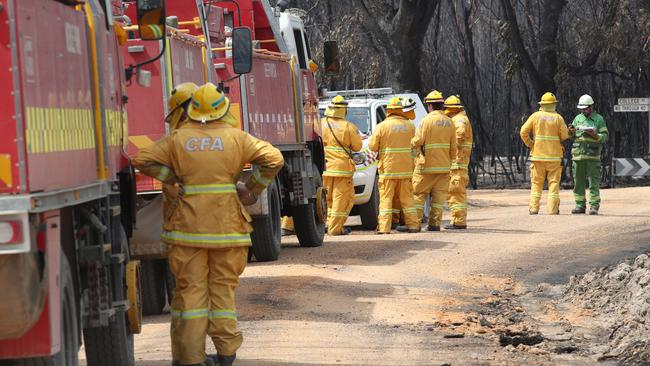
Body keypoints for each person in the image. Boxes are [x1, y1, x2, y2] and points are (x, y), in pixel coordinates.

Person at [132, 82, 284, 366]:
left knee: (191, 294)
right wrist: (251, 188)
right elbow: (274, 159)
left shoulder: (178, 139)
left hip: (188, 232)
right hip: (229, 233)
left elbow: (141, 159)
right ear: (222, 108)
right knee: (222, 292)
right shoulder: (236, 138)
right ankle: (226, 354)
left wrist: (172, 177)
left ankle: (191, 359)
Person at [369, 97, 420, 234]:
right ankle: (414, 225)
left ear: (389, 111)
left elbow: (373, 147)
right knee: (407, 198)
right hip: (406, 169)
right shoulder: (410, 126)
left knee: (386, 199)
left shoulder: (381, 126)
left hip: (388, 170)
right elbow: (415, 147)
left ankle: (384, 228)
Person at [411, 90, 457, 231]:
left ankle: (414, 224)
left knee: (419, 195)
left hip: (426, 167)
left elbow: (418, 141)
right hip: (443, 167)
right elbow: (454, 148)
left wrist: (410, 143)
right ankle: (434, 224)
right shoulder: (450, 122)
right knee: (438, 199)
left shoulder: (426, 121)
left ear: (430, 106)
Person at [519, 92, 570, 215]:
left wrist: (531, 144)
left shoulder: (535, 116)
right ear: (554, 104)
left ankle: (534, 208)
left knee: (536, 185)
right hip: (554, 158)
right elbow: (564, 136)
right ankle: (552, 210)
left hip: (538, 157)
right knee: (553, 185)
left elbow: (523, 132)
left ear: (542, 104)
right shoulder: (558, 118)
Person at [320, 95, 363, 235]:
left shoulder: (320, 123)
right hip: (341, 170)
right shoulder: (349, 127)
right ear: (344, 110)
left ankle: (325, 224)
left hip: (324, 168)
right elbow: (357, 147)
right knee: (342, 199)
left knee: (326, 199)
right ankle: (334, 229)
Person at [568, 94, 609, 215]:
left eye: (585, 108)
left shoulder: (599, 119)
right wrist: (570, 132)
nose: (583, 110)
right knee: (578, 183)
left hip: (592, 157)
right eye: (581, 108)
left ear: (591, 107)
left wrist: (595, 135)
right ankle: (580, 205)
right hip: (578, 157)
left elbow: (605, 136)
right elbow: (572, 136)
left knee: (593, 183)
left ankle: (594, 206)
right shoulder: (577, 118)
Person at [444, 95, 473, 229]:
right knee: (454, 192)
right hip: (458, 163)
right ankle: (457, 220)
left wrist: (449, 147)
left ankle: (459, 221)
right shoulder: (460, 118)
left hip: (458, 162)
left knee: (456, 192)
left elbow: (459, 135)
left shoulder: (459, 119)